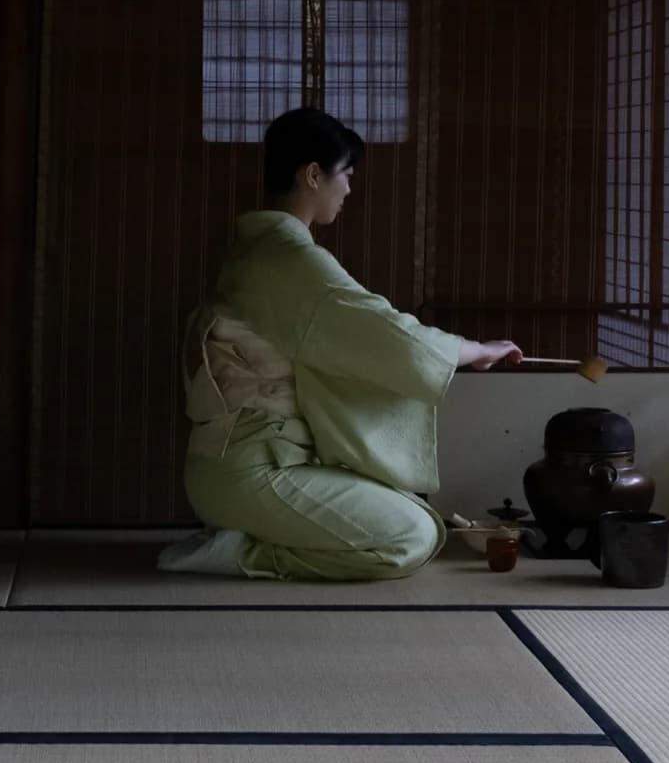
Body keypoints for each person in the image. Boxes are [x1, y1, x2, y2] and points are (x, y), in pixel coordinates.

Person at [159, 107, 522, 582]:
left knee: (412, 513)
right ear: (313, 175)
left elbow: (367, 327)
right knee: (412, 536)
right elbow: (385, 332)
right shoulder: (286, 258)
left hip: (245, 466)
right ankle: (242, 553)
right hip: (251, 471)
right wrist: (474, 348)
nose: (349, 189)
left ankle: (242, 536)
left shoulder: (260, 251)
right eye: (345, 174)